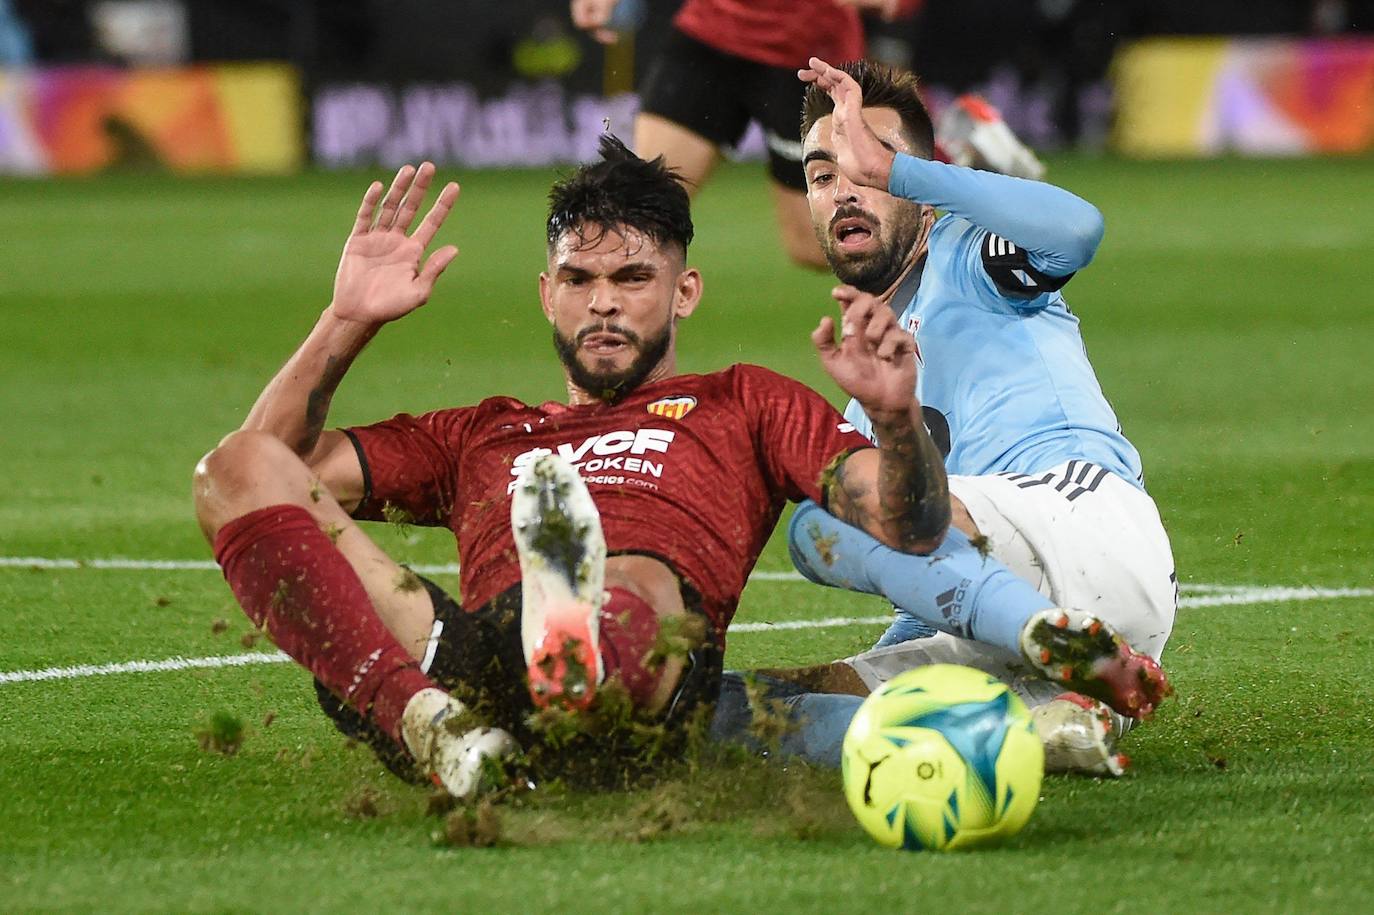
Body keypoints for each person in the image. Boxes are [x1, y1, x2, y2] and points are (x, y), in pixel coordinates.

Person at [193, 135, 968, 798]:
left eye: (632, 279)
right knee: (231, 463)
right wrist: (347, 320)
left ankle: (564, 633)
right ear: (547, 294)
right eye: (579, 279)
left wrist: (897, 418)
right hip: (476, 675)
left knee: (632, 581)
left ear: (684, 291)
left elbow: (912, 523)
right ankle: (434, 723)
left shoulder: (742, 402)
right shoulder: (483, 432)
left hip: (645, 687)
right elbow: (265, 476)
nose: (603, 303)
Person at [716, 59, 1176, 777]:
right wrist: (880, 666)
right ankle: (1041, 718)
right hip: (1035, 611)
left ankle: (1045, 652)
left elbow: (1078, 230)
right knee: (759, 708)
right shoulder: (867, 396)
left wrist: (905, 174)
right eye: (822, 174)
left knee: (822, 522)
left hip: (1086, 525)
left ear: (919, 185)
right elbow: (934, 569)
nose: (845, 190)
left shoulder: (968, 259)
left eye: (870, 165)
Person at [569, 0, 1044, 268]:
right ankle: (633, 407)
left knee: (815, 248)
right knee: (639, 223)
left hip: (802, 56)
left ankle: (956, 153)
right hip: (708, 35)